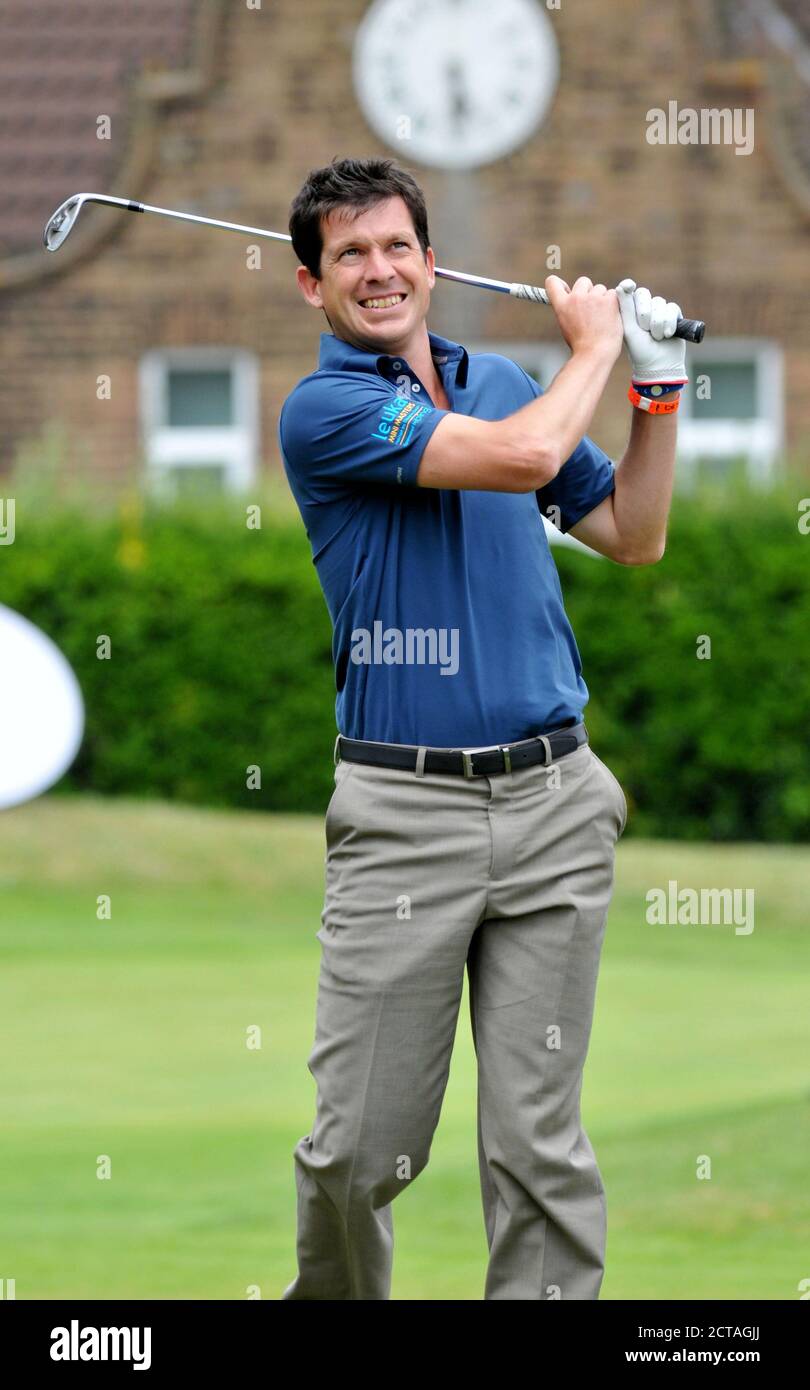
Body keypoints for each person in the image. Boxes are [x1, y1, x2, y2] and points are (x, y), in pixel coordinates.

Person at [277, 155, 689, 1300]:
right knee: (359, 1150)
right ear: (311, 285)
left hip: (556, 803)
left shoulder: (505, 378)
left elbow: (631, 530)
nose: (378, 270)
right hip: (405, 815)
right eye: (348, 253)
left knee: (538, 1149)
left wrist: (655, 390)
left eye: (396, 245)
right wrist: (598, 345)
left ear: (432, 260)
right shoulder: (330, 410)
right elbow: (525, 459)